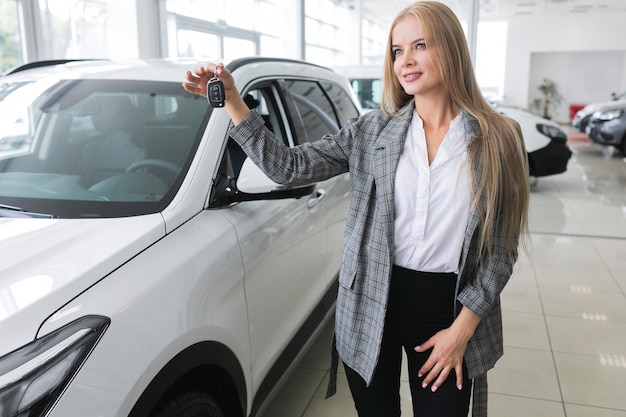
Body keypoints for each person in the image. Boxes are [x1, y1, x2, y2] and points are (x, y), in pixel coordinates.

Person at [182, 1, 530, 416]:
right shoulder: (371, 131)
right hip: (371, 301)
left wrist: (461, 331)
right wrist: (234, 102)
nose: (406, 60)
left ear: (452, 49)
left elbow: (502, 250)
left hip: (449, 309)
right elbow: (287, 166)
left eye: (420, 45)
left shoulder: (499, 138)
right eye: (397, 51)